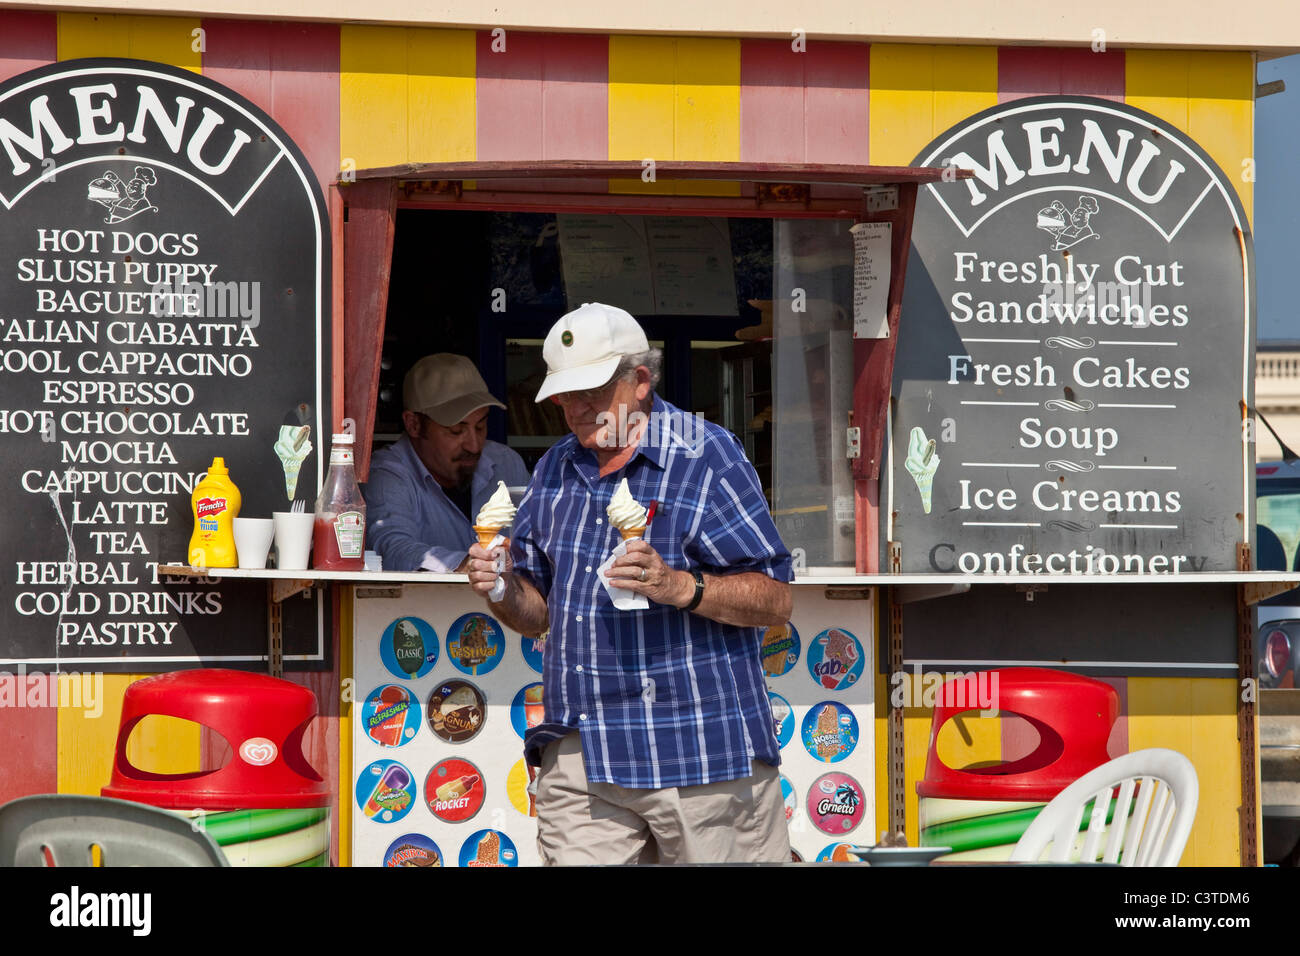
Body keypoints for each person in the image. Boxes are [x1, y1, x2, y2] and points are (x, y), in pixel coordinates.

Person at [466, 302, 794, 865]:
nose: (577, 407)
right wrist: (499, 586)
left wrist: (679, 586)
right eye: (566, 394)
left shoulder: (706, 456)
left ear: (640, 380)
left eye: (593, 389)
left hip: (700, 751)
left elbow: (774, 598)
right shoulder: (554, 469)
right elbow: (539, 612)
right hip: (582, 749)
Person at [365, 353, 529, 572]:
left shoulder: (506, 463)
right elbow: (392, 548)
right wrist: (468, 565)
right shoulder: (387, 475)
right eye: (456, 430)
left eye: (480, 426)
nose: (474, 445)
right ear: (413, 424)